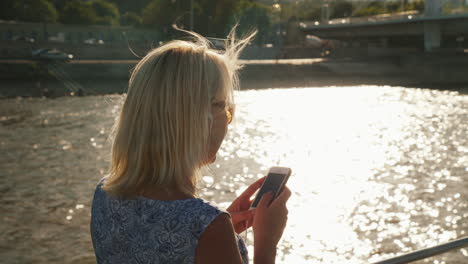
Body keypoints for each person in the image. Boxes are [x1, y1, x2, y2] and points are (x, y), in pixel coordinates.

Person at [90, 27, 291, 264]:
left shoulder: (104, 193)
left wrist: (223, 229)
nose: (228, 121)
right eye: (225, 109)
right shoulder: (208, 227)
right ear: (196, 120)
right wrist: (266, 242)